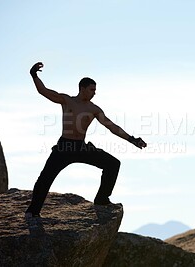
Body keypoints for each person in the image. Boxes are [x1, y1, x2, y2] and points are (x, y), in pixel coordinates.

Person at [25, 62, 147, 219]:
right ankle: (33, 211)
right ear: (82, 88)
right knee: (45, 178)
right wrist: (34, 75)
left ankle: (102, 199)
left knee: (113, 164)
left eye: (95, 90)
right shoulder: (67, 101)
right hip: (65, 146)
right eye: (91, 90)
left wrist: (132, 139)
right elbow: (43, 91)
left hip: (81, 147)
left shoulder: (94, 109)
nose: (94, 93)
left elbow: (111, 127)